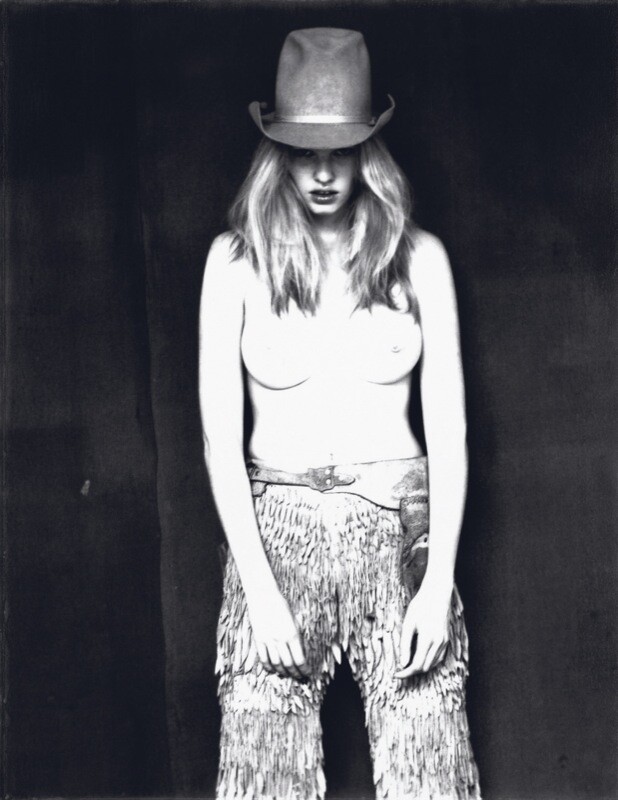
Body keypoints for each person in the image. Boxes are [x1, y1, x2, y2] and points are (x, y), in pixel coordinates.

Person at [199, 27, 481, 800]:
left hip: (400, 528)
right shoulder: (234, 264)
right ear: (276, 152)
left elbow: (450, 435)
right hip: (275, 531)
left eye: (341, 152)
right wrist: (259, 590)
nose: (323, 173)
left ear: (368, 152)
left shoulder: (420, 260)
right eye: (304, 152)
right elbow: (221, 443)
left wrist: (438, 582)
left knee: (430, 771)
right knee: (263, 777)